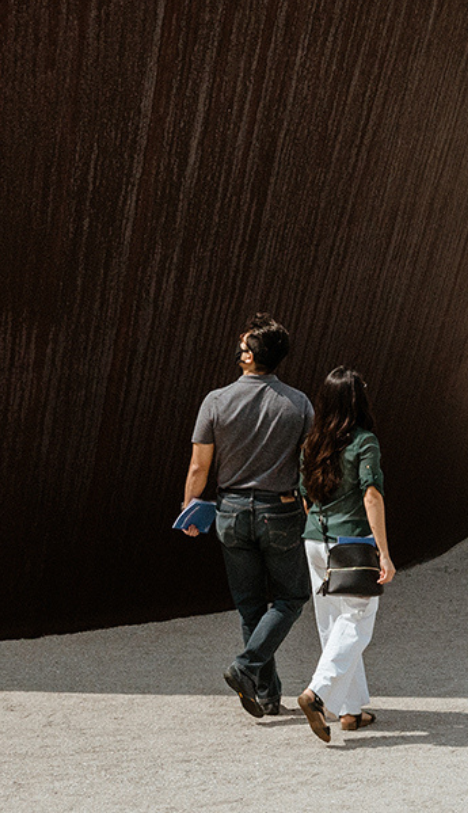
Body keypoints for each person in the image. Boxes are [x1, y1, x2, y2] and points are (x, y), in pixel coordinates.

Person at [181, 313, 313, 719]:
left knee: (250, 605)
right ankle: (250, 671)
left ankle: (263, 688)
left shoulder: (216, 400)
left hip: (231, 511)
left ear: (250, 355)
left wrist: (189, 506)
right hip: (282, 510)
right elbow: (307, 465)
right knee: (291, 596)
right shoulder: (299, 403)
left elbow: (199, 467)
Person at [292, 366, 396, 744]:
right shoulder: (365, 442)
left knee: (332, 624)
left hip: (314, 539)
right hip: (351, 541)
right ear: (359, 399)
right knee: (357, 620)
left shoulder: (312, 443)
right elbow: (372, 495)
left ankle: (351, 711)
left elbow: (306, 497)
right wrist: (383, 552)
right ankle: (318, 694)